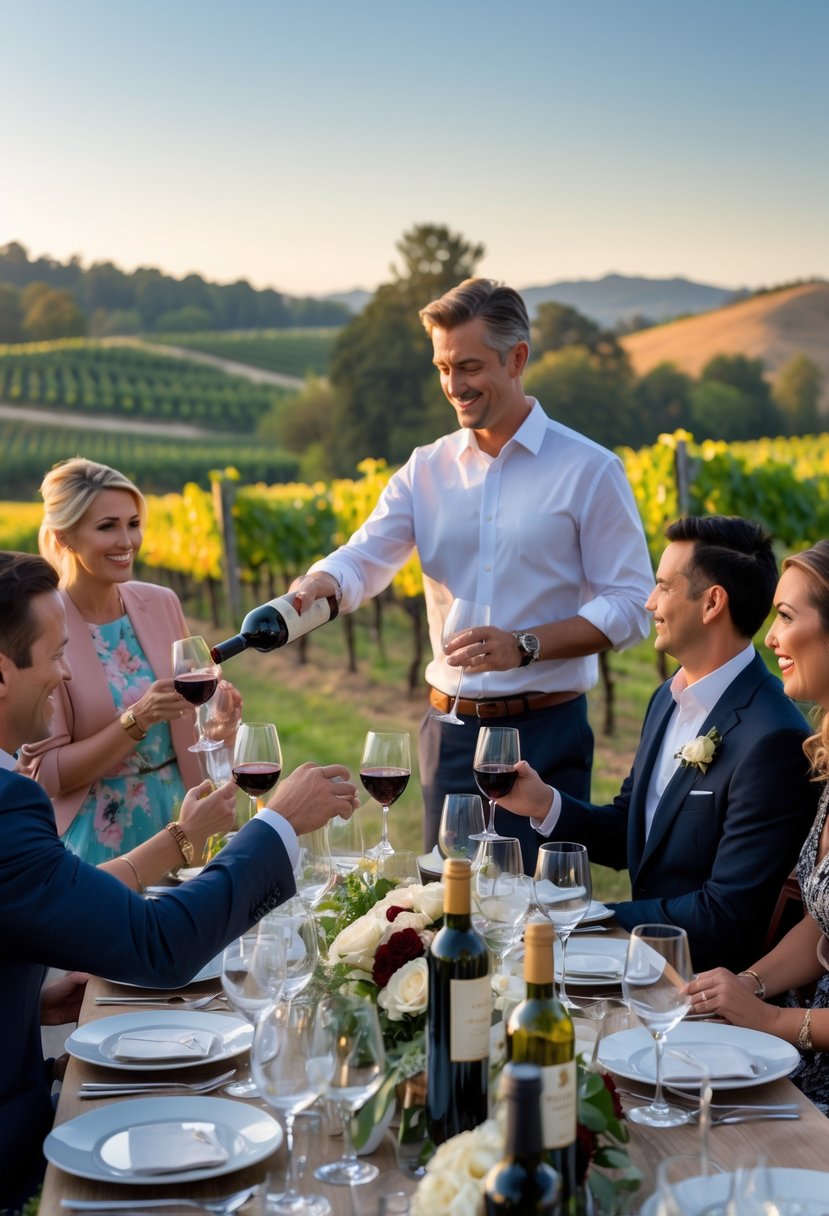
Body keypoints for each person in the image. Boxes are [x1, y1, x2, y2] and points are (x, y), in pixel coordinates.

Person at [0, 551, 360, 1210]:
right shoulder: (4, 803)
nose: (63, 675)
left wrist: (39, 981)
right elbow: (161, 947)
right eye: (55, 657)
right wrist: (276, 826)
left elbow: (46, 893)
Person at [290, 278, 654, 873]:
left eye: (469, 366)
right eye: (442, 366)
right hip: (451, 734)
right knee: (447, 914)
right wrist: (322, 581)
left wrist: (526, 645)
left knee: (542, 918)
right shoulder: (425, 468)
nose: (453, 385)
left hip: (547, 735)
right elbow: (363, 556)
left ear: (518, 359)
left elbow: (633, 602)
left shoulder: (590, 470)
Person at [497, 515, 818, 972]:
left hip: (705, 986)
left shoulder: (773, 738)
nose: (649, 603)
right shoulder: (666, 698)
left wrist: (589, 918)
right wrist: (545, 804)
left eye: (663, 586)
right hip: (642, 965)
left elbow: (726, 914)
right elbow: (633, 828)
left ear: (712, 603)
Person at [21, 456, 237, 863]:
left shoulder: (162, 603)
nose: (127, 541)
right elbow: (45, 773)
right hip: (100, 839)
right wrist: (137, 719)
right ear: (65, 536)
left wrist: (220, 721)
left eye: (133, 524)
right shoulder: (45, 622)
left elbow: (192, 728)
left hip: (184, 819)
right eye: (108, 526)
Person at [689, 540, 829, 1112]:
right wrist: (747, 983)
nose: (770, 637)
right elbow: (824, 922)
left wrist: (770, 1019)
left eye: (788, 617)